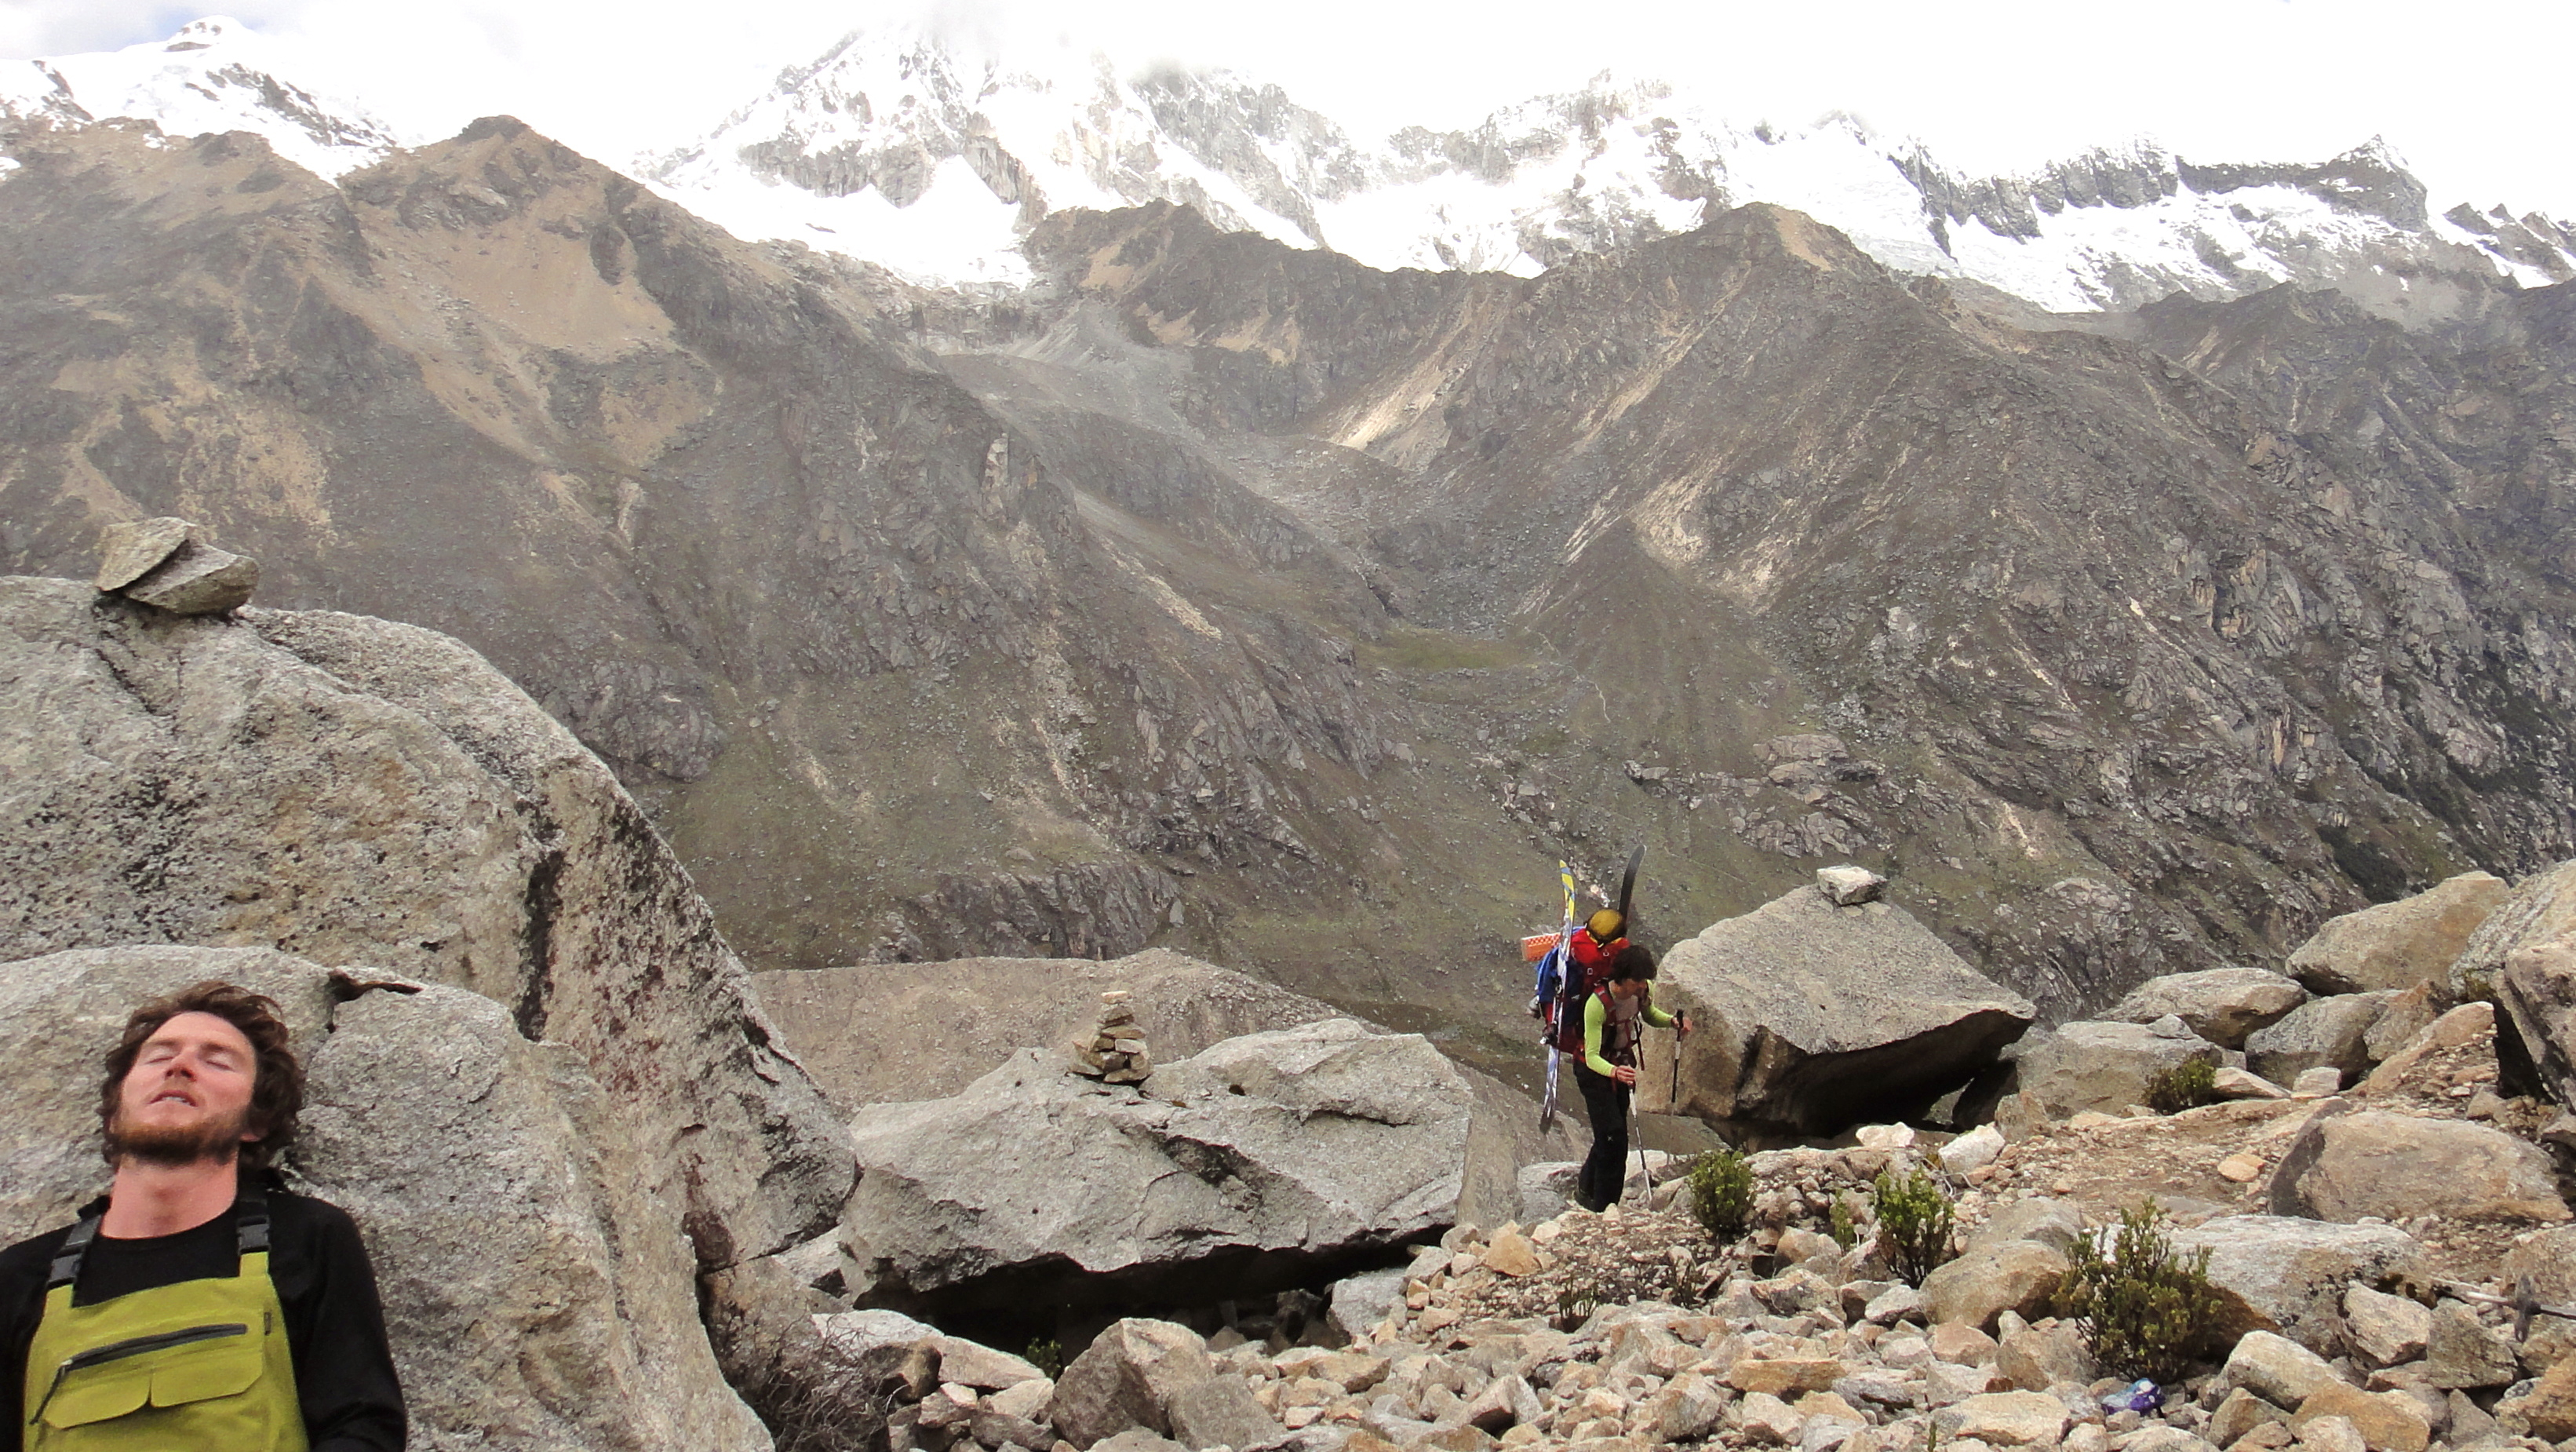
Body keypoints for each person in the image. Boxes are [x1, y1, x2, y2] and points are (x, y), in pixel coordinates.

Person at [1, 980, 406, 1450]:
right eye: (158, 1056)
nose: (179, 1066)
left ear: (257, 1122)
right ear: (114, 1112)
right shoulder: (21, 1277)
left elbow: (363, 1429)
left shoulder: (305, 1239)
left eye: (216, 1060)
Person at [1572, 943, 1691, 1213]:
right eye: (1638, 980)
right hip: (1594, 1073)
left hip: (1621, 1067)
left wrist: (1672, 1021)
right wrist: (1614, 1071)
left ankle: (1585, 1189)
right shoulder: (1597, 1004)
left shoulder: (1641, 992)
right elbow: (1591, 1056)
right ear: (1624, 978)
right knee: (1615, 1138)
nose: (1643, 985)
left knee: (1609, 1132)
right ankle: (1605, 1207)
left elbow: (1649, 1015)